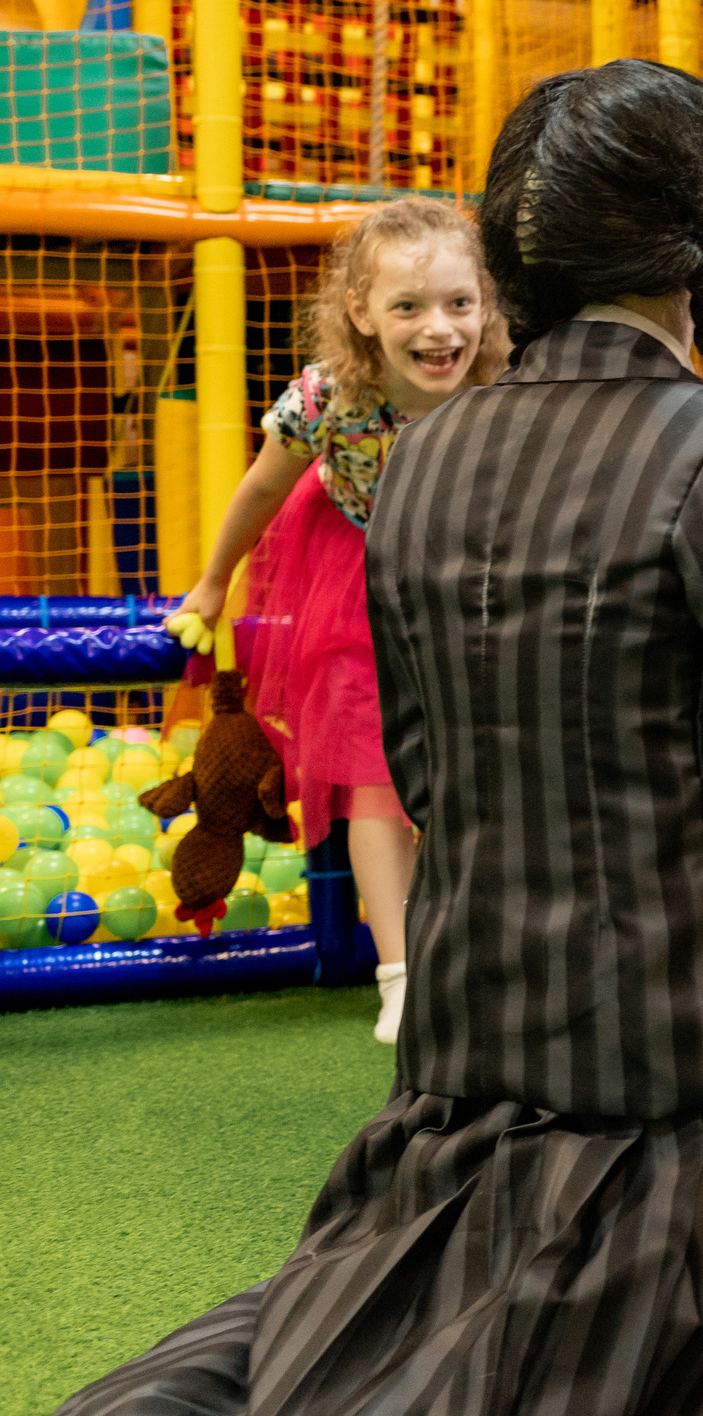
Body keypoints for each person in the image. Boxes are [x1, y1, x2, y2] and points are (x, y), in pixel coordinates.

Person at [64, 61, 703, 1413]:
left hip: (476, 1024)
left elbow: (421, 763)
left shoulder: (419, 451)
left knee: (393, 1301)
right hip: (684, 1028)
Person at [161, 197, 502, 1043]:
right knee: (371, 774)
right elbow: (263, 489)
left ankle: (475, 953)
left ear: (487, 301)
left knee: (469, 768)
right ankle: (400, 973)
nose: (440, 330)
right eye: (409, 307)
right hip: (352, 569)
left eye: (460, 303)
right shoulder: (329, 394)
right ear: (360, 312)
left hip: (464, 573)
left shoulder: (503, 384)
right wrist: (211, 582)